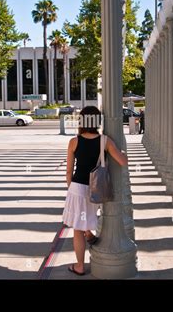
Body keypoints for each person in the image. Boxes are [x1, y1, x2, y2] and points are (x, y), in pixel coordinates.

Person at [63, 106, 128, 276]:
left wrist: (71, 188)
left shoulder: (74, 142)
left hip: (77, 187)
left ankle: (79, 265)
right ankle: (89, 233)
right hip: (95, 188)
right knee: (87, 216)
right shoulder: (105, 141)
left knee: (77, 227)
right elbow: (122, 161)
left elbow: (69, 171)